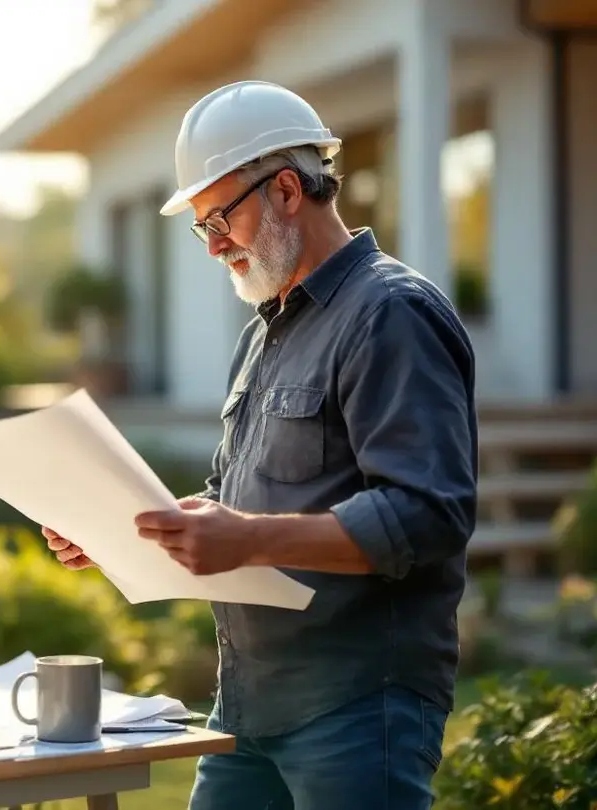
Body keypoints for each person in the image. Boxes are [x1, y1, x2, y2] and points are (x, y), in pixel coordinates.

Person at [42, 80, 478, 810]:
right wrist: (131, 528)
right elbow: (239, 503)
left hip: (358, 703)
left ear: (284, 190)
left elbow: (428, 514)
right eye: (200, 226)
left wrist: (245, 539)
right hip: (248, 704)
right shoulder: (264, 333)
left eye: (220, 218)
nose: (213, 246)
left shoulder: (391, 315)